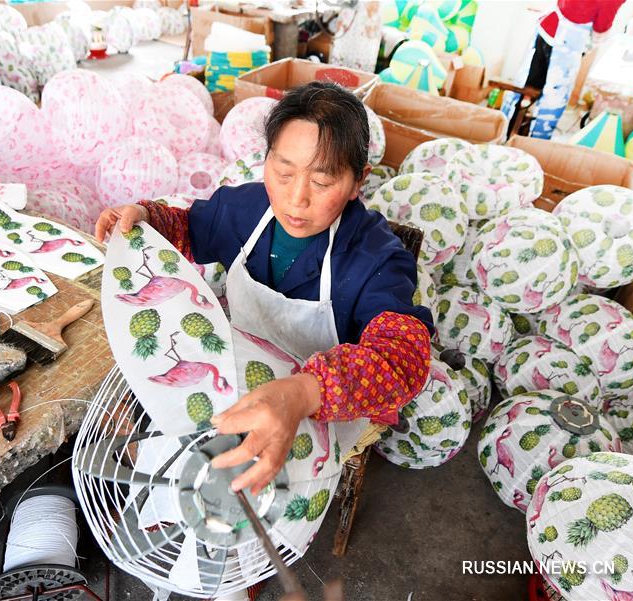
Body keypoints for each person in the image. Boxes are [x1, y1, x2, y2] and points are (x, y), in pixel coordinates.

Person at [95, 82, 434, 496]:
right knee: (180, 444)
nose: (296, 199)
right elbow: (189, 228)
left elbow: (403, 358)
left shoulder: (376, 258)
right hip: (241, 366)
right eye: (284, 172)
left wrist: (302, 393)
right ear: (266, 159)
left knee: (248, 489)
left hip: (323, 406)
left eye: (323, 182)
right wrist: (146, 217)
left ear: (357, 181)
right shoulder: (245, 208)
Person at [501, 0, 625, 139]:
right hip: (568, 40)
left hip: (549, 25)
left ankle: (504, 130)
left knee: (526, 86)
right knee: (554, 97)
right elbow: (603, 23)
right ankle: (535, 142)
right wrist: (596, 41)